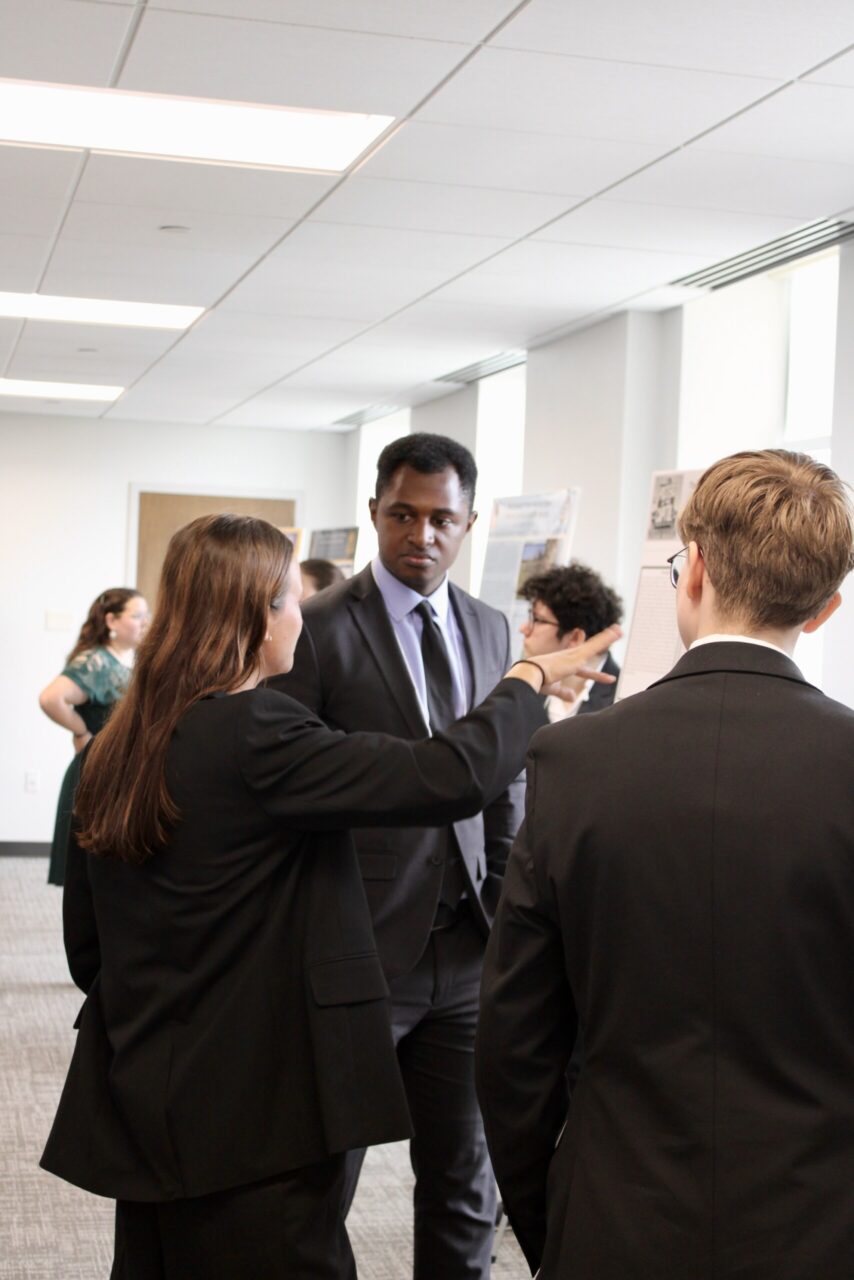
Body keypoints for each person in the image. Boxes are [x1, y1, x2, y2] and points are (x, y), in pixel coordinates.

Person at [40, 511, 619, 1280]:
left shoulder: (118, 743)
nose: (303, 618)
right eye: (293, 599)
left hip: (146, 1092)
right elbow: (446, 776)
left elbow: (88, 950)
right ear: (258, 615)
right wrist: (529, 678)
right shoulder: (256, 731)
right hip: (256, 1107)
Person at [475, 449, 854, 1280]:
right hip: (821, 1225)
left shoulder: (573, 760)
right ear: (826, 609)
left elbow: (515, 1044)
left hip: (615, 1217)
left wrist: (556, 1222)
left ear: (695, 572)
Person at [272, 432, 524, 1278]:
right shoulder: (315, 627)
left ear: (469, 524)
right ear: (375, 513)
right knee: (320, 1180)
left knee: (463, 1181)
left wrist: (506, 898)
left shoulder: (491, 627)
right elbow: (293, 787)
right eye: (402, 515)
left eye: (441, 519)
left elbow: (505, 777)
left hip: (468, 952)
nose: (421, 535)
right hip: (358, 948)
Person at [38, 587, 150, 885]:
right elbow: (51, 698)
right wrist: (82, 730)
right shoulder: (95, 661)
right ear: (111, 621)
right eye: (137, 616)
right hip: (96, 772)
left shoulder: (129, 659)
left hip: (121, 771)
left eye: (146, 615)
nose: (145, 622)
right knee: (90, 877)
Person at [520, 563, 623, 721]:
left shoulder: (624, 698)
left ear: (575, 638)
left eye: (538, 620)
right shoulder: (527, 682)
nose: (523, 629)